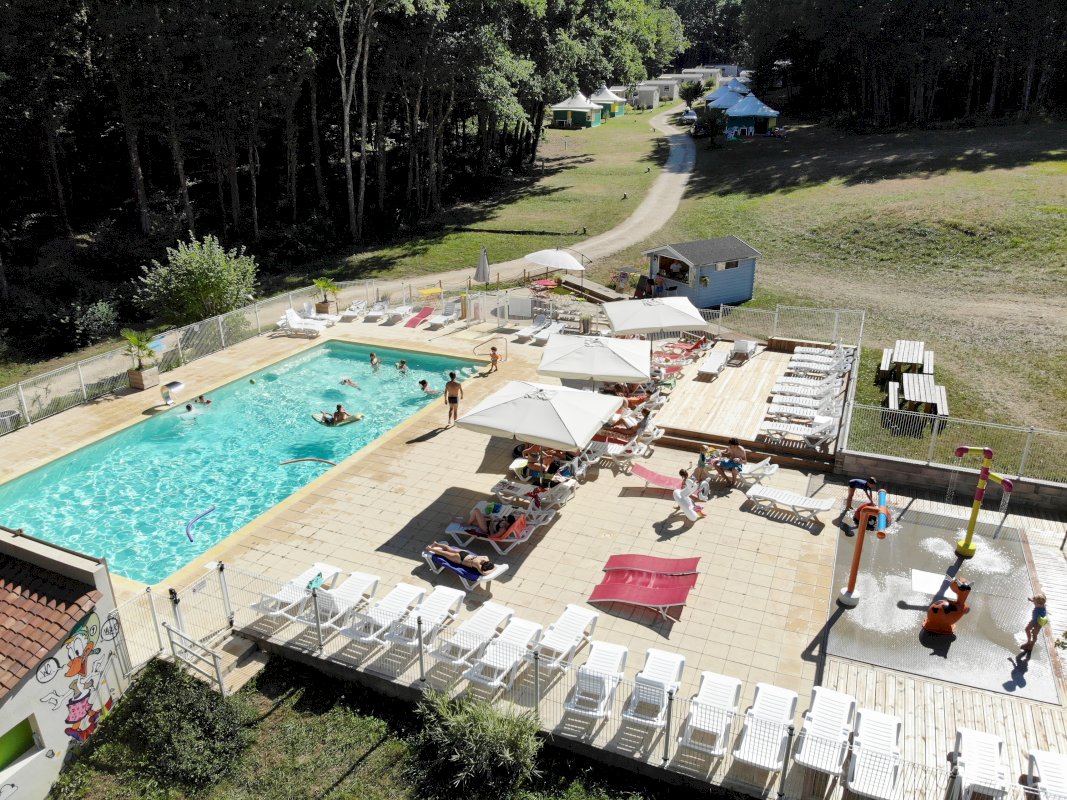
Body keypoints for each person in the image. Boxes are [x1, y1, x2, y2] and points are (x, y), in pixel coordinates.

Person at [426, 542, 497, 575]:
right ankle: (430, 549)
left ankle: (436, 544)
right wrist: (494, 569)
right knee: (443, 553)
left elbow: (487, 560)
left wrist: (492, 565)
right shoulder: (478, 565)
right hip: (459, 559)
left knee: (449, 549)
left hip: (465, 553)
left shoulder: (485, 558)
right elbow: (484, 573)